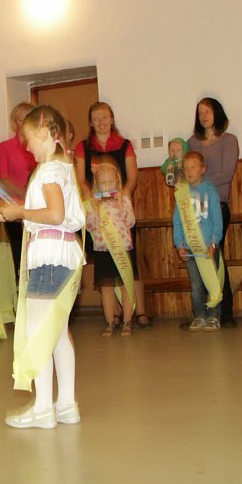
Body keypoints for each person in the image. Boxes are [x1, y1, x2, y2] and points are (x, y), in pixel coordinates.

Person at [0, 105, 85, 430]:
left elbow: (53, 214)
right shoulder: (61, 167)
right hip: (63, 253)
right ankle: (66, 404)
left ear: (46, 133)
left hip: (49, 258)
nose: (26, 146)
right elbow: (38, 212)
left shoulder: (49, 171)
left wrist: (21, 213)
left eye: (29, 139)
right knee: (58, 333)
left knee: (39, 333)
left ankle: (43, 408)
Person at [74, 101, 150, 328]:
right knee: (107, 268)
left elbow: (132, 177)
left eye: (104, 117)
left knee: (130, 265)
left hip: (119, 212)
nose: (101, 122)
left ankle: (139, 312)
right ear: (90, 122)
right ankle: (114, 315)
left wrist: (123, 196)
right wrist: (91, 199)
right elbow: (81, 179)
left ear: (112, 119)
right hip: (98, 211)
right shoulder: (83, 147)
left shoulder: (124, 145)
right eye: (96, 118)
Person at [187, 97, 240, 327]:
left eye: (207, 111)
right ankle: (204, 312)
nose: (204, 116)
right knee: (199, 259)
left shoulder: (229, 140)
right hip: (193, 208)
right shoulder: (192, 142)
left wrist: (199, 181)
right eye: (200, 112)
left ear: (217, 113)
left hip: (218, 205)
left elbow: (226, 174)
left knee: (215, 255)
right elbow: (183, 172)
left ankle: (223, 310)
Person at [173, 152, 224, 332]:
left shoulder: (211, 192)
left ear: (203, 169)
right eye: (186, 168)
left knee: (212, 282)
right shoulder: (181, 194)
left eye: (193, 167)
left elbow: (218, 221)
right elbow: (177, 222)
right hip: (190, 249)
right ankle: (199, 316)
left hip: (208, 247)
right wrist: (179, 245)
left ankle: (214, 317)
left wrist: (214, 243)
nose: (189, 171)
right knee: (196, 285)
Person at [85, 162, 136, 337]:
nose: (107, 187)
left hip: (122, 249)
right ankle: (109, 323)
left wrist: (122, 205)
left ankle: (127, 321)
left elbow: (131, 222)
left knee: (125, 286)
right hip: (103, 250)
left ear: (117, 182)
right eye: (103, 183)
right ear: (97, 185)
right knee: (106, 289)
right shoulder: (93, 204)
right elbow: (90, 226)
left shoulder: (124, 200)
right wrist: (93, 208)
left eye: (110, 182)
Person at [0, 102, 37, 275]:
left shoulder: (38, 145)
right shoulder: (5, 147)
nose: (25, 121)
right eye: (21, 119)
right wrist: (26, 195)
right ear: (14, 123)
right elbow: (2, 179)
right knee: (19, 252)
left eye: (28, 117)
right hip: (13, 205)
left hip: (37, 206)